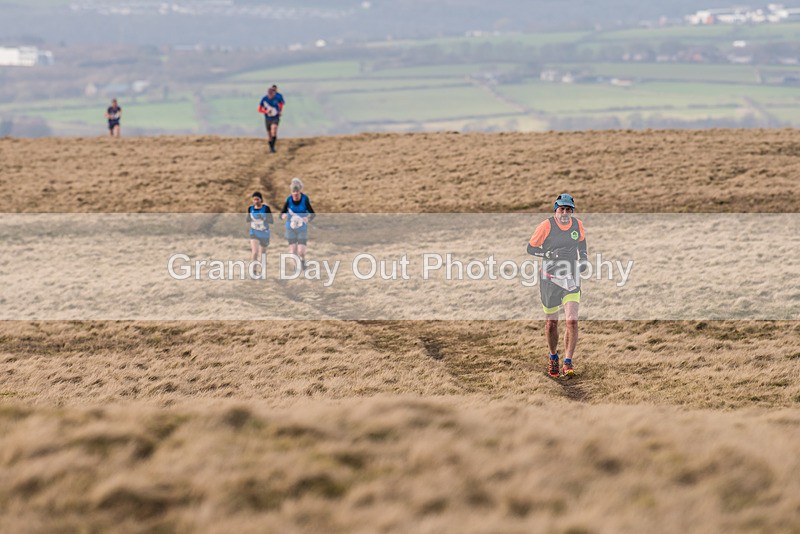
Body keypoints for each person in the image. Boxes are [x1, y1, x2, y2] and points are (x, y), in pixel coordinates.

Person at [526, 193, 588, 378]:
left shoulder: (577, 225)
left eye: (568, 210)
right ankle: (553, 357)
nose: (565, 213)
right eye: (562, 209)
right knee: (552, 323)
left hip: (571, 277)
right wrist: (550, 255)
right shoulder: (546, 226)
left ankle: (568, 362)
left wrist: (583, 259)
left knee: (572, 320)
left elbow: (582, 244)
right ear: (556, 210)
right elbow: (531, 248)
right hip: (549, 278)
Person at [280, 178, 315, 271]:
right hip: (290, 228)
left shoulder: (305, 199)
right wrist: (283, 216)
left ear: (300, 191)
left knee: (301, 252)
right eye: (293, 193)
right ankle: (297, 268)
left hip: (302, 228)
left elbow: (313, 213)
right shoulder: (288, 199)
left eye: (297, 193)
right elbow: (282, 213)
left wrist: (308, 218)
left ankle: (302, 261)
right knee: (293, 251)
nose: (295, 195)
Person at [247, 191, 273, 276]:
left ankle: (262, 272)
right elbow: (247, 219)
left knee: (263, 253)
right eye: (254, 199)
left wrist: (264, 218)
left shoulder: (266, 208)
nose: (256, 201)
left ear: (261, 199)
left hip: (264, 233)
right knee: (255, 252)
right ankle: (253, 272)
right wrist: (249, 219)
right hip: (254, 232)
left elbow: (271, 221)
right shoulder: (250, 208)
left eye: (257, 199)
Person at [258, 84, 285, 153]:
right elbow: (259, 109)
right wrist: (265, 111)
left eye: (272, 93)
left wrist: (280, 111)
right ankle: (271, 147)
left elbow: (281, 104)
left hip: (275, 117)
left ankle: (272, 147)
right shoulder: (264, 99)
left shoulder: (278, 97)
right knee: (269, 135)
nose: (271, 95)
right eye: (269, 94)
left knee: (274, 130)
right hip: (267, 118)